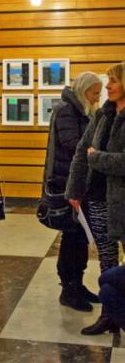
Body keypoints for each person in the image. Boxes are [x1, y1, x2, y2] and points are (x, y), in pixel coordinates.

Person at [66, 62, 125, 335]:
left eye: (113, 80)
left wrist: (96, 157)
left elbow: (94, 156)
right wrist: (74, 191)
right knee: (106, 258)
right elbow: (81, 151)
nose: (108, 86)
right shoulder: (103, 115)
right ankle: (110, 314)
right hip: (100, 200)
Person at [45, 72, 102, 311]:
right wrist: (98, 153)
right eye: (94, 92)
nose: (98, 97)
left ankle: (76, 284)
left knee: (79, 238)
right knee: (72, 237)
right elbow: (73, 145)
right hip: (67, 184)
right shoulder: (67, 109)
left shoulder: (81, 109)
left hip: (78, 183)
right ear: (83, 91)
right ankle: (68, 289)